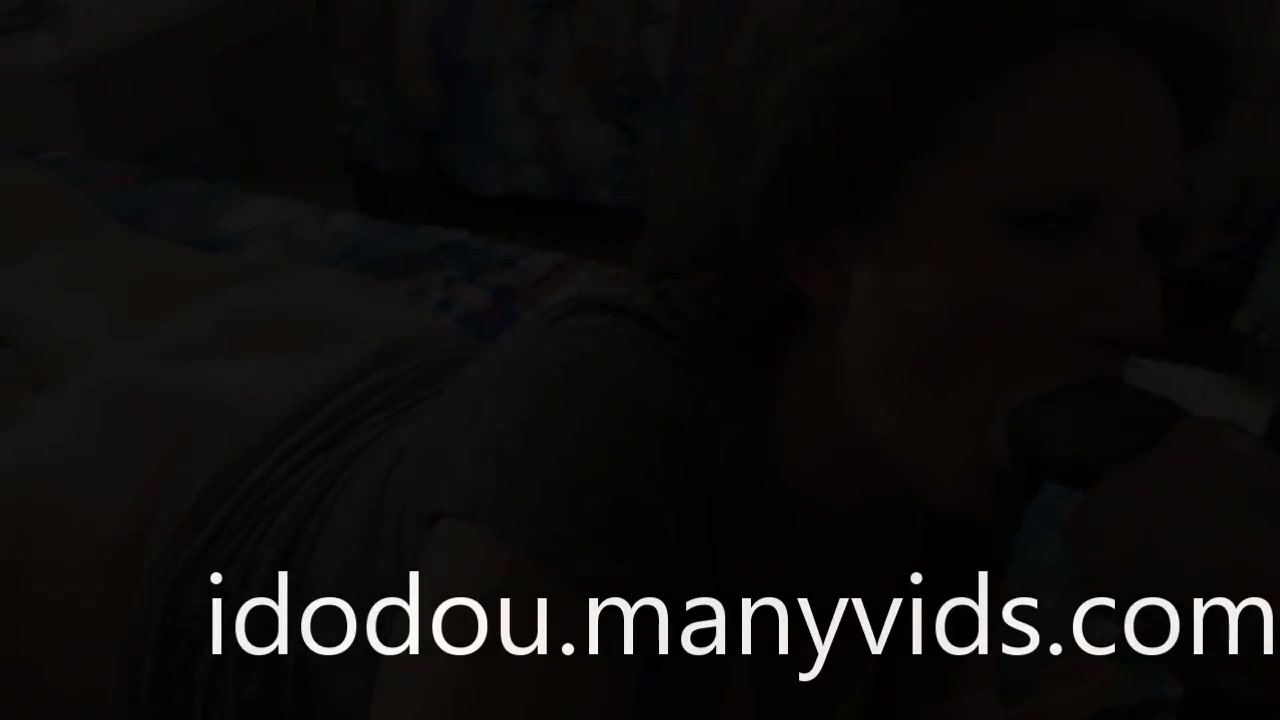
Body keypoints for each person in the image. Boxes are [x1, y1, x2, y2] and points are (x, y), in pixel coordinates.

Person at [3, 0, 1278, 717]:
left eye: (1153, 241)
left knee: (86, 259)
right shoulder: (617, 412)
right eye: (1049, 225)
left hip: (391, 382)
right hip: (139, 530)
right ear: (824, 238)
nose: (1134, 308)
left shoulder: (944, 421)